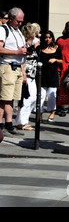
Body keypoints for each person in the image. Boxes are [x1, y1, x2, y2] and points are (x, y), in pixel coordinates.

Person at [0, 8, 27, 136]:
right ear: (10, 19)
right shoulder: (3, 29)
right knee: (3, 97)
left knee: (11, 98)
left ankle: (9, 125)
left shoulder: (18, 31)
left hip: (17, 67)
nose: (20, 24)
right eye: (18, 21)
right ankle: (0, 126)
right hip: (7, 67)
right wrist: (16, 52)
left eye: (22, 21)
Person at [15, 23, 39, 130]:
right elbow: (21, 61)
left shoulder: (31, 46)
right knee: (27, 99)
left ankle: (24, 120)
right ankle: (21, 122)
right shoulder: (24, 45)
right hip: (27, 75)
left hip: (32, 75)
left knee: (33, 98)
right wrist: (23, 74)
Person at [38, 31, 62, 122]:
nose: (47, 39)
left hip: (53, 74)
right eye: (46, 37)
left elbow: (62, 61)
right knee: (41, 95)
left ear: (52, 38)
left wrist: (55, 60)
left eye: (49, 37)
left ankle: (52, 112)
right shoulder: (40, 48)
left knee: (52, 95)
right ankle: (39, 114)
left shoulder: (57, 48)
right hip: (42, 74)